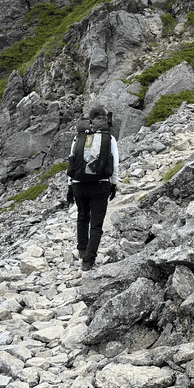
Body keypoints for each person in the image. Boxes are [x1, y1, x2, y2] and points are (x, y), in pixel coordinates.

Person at [66, 105, 119, 271]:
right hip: (100, 184)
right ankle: (88, 262)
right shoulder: (109, 138)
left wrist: (70, 185)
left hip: (78, 185)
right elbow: (115, 164)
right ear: (103, 119)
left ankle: (82, 249)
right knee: (96, 224)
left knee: (82, 216)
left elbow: (72, 160)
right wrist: (114, 183)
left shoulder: (79, 137)